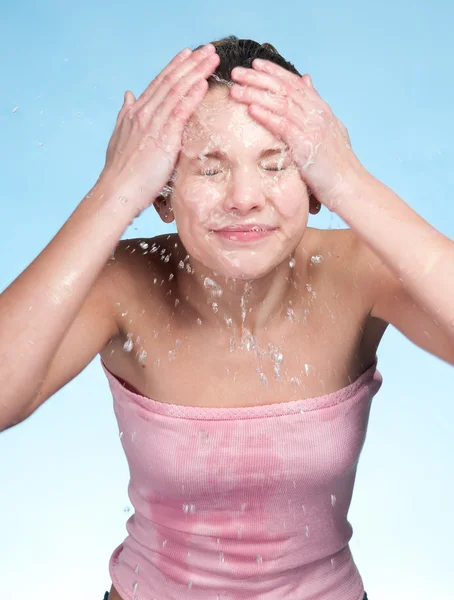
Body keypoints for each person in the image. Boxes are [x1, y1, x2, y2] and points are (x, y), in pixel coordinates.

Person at [2, 35, 453, 600]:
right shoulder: (121, 284)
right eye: (210, 170)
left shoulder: (357, 273)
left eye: (275, 165)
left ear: (311, 183)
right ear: (163, 195)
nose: (244, 197)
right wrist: (114, 191)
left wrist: (349, 181)